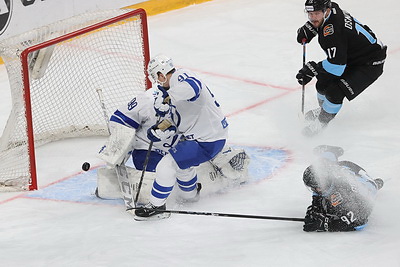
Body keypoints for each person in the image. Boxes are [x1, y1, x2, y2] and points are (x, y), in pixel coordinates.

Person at [133, 54, 229, 220]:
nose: (157, 82)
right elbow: (176, 122)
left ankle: (157, 206)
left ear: (161, 74)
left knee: (166, 165)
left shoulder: (180, 77)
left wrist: (168, 99)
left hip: (207, 139)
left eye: (156, 77)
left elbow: (194, 87)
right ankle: (190, 196)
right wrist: (159, 129)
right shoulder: (172, 92)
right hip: (205, 138)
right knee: (182, 165)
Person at [296, 0, 387, 136]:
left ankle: (322, 122)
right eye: (310, 14)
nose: (313, 18)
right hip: (353, 56)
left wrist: (314, 68)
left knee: (335, 92)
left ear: (326, 11)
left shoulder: (333, 33)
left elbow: (337, 67)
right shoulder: (332, 8)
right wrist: (311, 28)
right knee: (323, 79)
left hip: (370, 63)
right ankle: (323, 110)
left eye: (316, 14)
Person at [302, 145, 384, 232]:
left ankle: (330, 153)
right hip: (344, 168)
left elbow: (359, 222)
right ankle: (331, 153)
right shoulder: (325, 180)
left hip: (364, 183)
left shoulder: (346, 192)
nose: (314, 191)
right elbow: (318, 197)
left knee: (334, 208)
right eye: (312, 188)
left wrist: (325, 225)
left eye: (316, 188)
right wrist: (314, 211)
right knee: (323, 164)